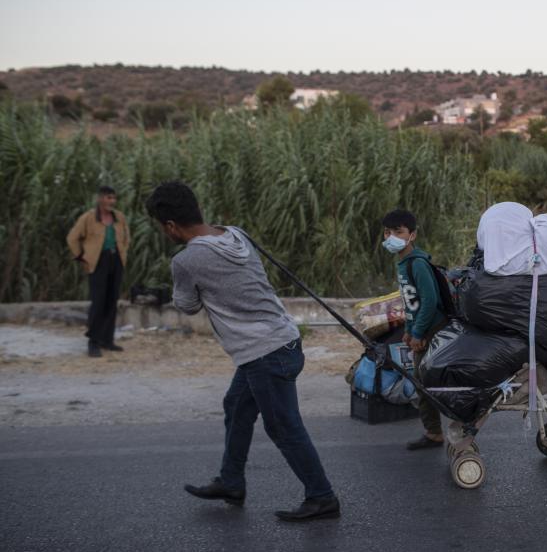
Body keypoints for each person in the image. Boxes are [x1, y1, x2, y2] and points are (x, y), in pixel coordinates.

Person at [145, 181, 339, 522]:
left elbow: (188, 306)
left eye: (163, 228)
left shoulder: (186, 260)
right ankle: (231, 481)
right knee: (236, 405)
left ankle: (322, 496)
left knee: (283, 427)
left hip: (264, 352)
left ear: (171, 226)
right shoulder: (236, 233)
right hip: (282, 340)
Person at [381, 209, 448, 451]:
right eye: (388, 232)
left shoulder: (418, 263)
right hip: (420, 328)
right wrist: (408, 330)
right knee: (422, 383)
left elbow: (429, 301)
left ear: (412, 235)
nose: (392, 237)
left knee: (426, 382)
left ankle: (440, 431)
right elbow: (410, 303)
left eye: (398, 232)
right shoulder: (402, 263)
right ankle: (434, 432)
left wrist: (419, 333)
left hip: (433, 329)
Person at [67, 185, 130, 358]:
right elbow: (72, 238)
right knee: (98, 302)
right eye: (109, 198)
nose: (112, 201)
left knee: (111, 300)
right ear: (100, 199)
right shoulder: (88, 218)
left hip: (116, 260)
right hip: (97, 262)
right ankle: (93, 342)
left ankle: (107, 340)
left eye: (114, 198)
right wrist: (81, 257)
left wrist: (122, 254)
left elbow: (126, 237)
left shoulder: (119, 217)